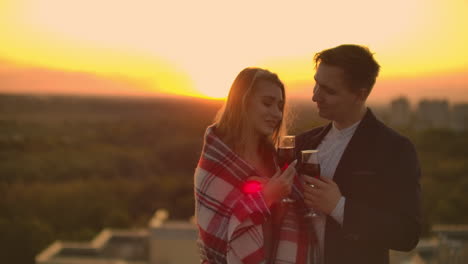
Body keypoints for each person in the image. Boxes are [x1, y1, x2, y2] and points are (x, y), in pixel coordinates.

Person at [296, 44, 422, 264]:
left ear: (360, 94)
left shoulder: (394, 149)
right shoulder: (302, 142)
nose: (315, 96)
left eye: (329, 90)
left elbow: (407, 233)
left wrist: (339, 207)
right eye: (316, 84)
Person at [194, 67, 310, 263]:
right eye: (267, 103)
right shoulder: (216, 162)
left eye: (280, 106)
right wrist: (267, 196)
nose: (277, 114)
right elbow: (217, 240)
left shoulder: (273, 160)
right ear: (243, 102)